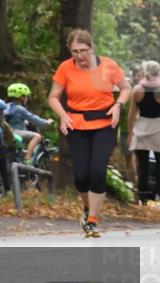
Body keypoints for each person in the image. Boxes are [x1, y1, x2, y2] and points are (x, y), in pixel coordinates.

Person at [48, 29, 132, 237]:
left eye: (83, 50)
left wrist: (118, 105)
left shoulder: (108, 65)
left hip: (104, 123)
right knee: (81, 176)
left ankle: (93, 219)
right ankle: (87, 207)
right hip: (76, 125)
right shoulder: (65, 68)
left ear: (91, 48)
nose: (79, 56)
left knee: (97, 171)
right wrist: (63, 115)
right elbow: (53, 97)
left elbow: (126, 88)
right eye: (75, 51)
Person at [128, 60, 160, 202]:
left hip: (141, 130)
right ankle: (158, 195)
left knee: (143, 164)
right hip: (159, 129)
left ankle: (143, 196)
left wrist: (130, 133)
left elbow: (132, 115)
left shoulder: (137, 89)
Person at [5, 82, 53, 164]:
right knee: (37, 136)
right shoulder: (20, 108)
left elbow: (11, 119)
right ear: (21, 97)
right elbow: (34, 119)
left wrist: (24, 122)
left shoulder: (6, 106)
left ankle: (20, 158)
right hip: (14, 132)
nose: (26, 98)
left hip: (5, 132)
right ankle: (27, 159)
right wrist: (47, 122)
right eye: (25, 96)